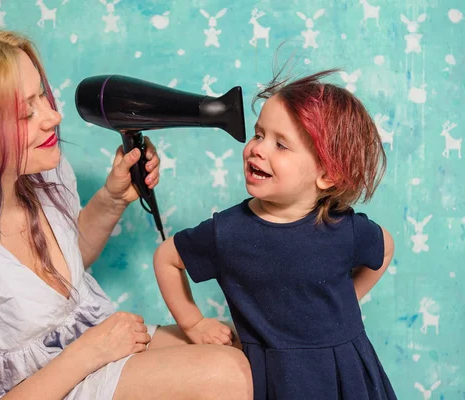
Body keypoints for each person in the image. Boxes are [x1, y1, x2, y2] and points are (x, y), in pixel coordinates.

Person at [0, 28, 252, 400]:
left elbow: (56, 277)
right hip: (44, 381)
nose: (53, 117)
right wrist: (89, 352)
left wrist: (112, 199)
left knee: (238, 347)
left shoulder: (37, 174)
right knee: (224, 377)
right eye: (24, 114)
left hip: (84, 349)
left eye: (42, 98)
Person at [153, 68, 397, 399]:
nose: (258, 149)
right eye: (258, 134)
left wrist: (347, 302)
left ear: (327, 174)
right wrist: (194, 324)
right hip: (274, 379)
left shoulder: (345, 229)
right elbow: (166, 258)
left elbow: (384, 250)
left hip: (346, 374)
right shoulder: (228, 232)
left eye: (281, 144)